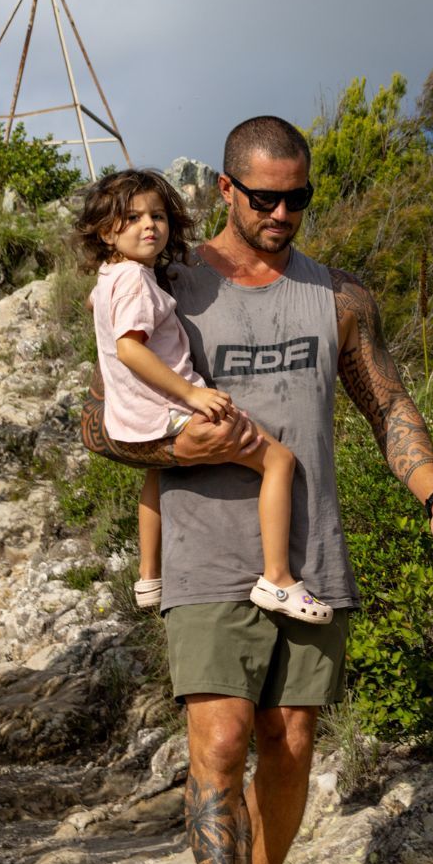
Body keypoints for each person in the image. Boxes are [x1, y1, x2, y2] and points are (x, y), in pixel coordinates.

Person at [81, 118, 433, 864]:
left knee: (288, 745)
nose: (281, 214)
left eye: (297, 197)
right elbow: (97, 420)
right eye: (263, 198)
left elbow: (386, 401)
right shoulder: (168, 281)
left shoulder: (337, 295)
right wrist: (176, 448)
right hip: (208, 551)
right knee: (218, 741)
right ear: (225, 189)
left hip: (309, 552)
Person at [76, 168, 332, 624]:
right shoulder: (136, 281)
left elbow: (100, 310)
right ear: (105, 229)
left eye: (157, 215)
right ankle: (277, 578)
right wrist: (193, 395)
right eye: (131, 218)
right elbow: (130, 349)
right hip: (171, 410)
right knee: (279, 461)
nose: (149, 225)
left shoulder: (110, 278)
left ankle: (149, 575)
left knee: (156, 475)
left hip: (132, 417)